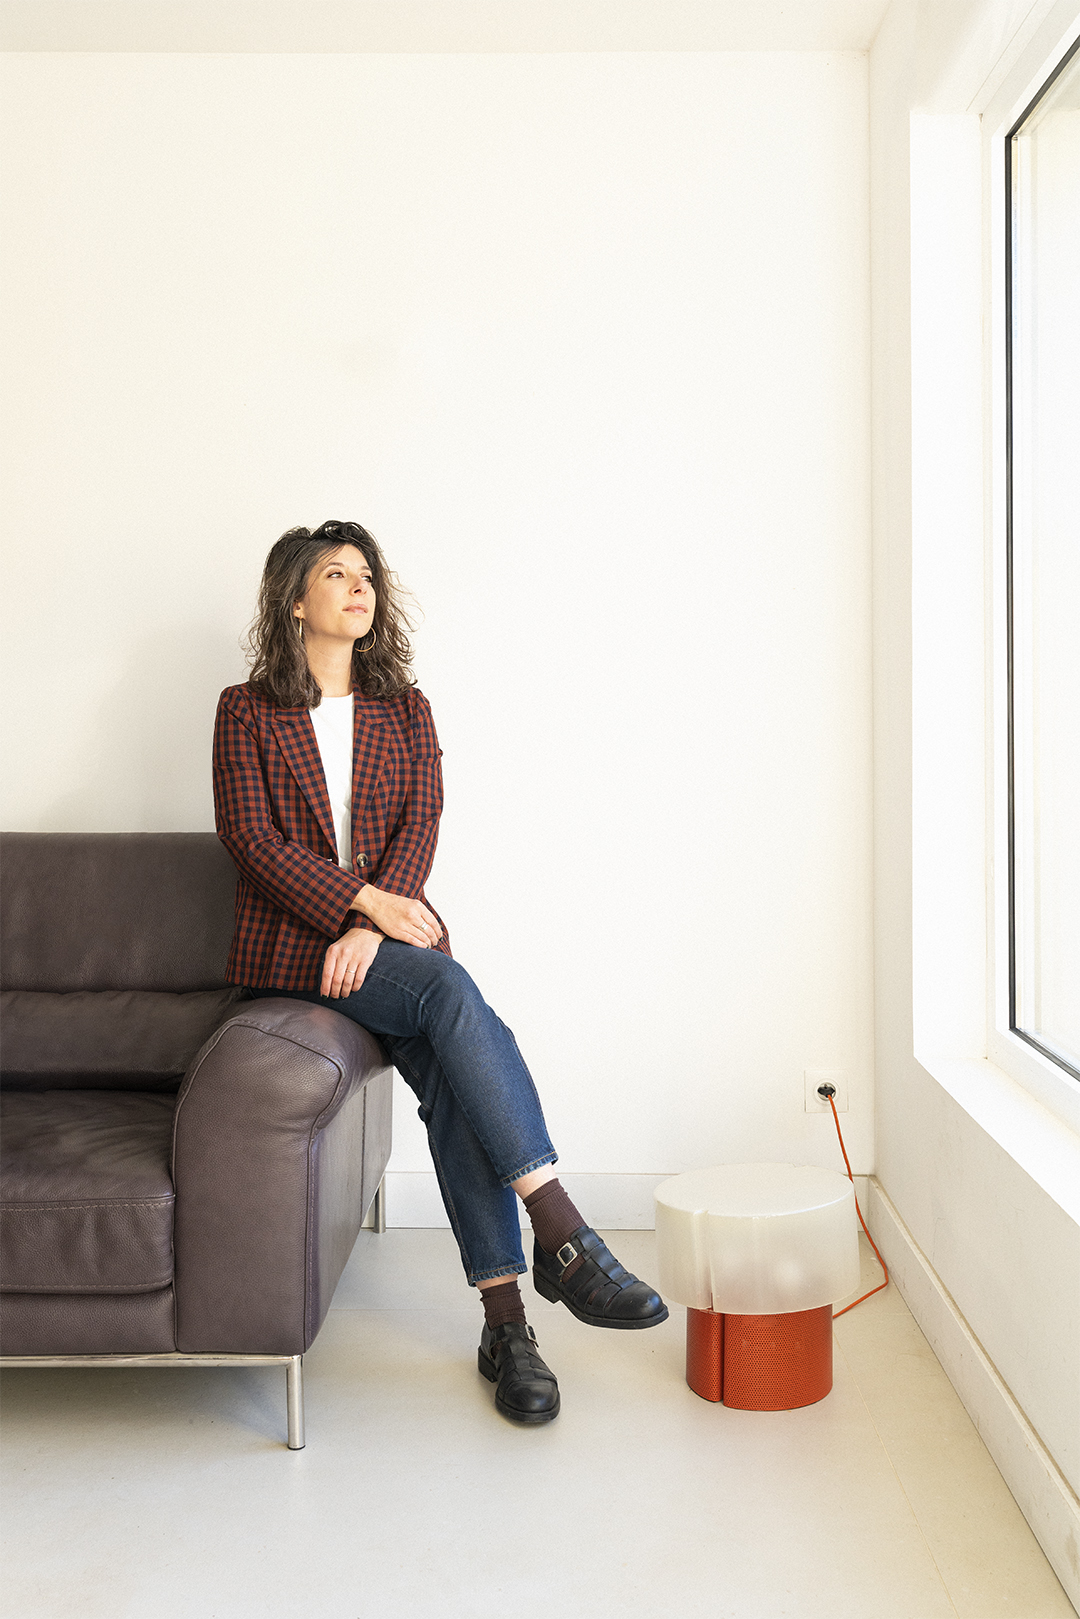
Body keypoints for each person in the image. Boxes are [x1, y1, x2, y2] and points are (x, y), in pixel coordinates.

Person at [212, 519, 667, 1426]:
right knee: (450, 989)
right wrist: (362, 907)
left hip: (381, 945)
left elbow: (421, 822)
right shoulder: (246, 709)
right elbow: (251, 839)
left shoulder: (405, 707)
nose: (359, 586)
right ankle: (561, 1231)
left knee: (457, 1075)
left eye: (367, 574)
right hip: (291, 949)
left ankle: (508, 1329)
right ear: (294, 600)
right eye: (335, 574)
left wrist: (373, 925)